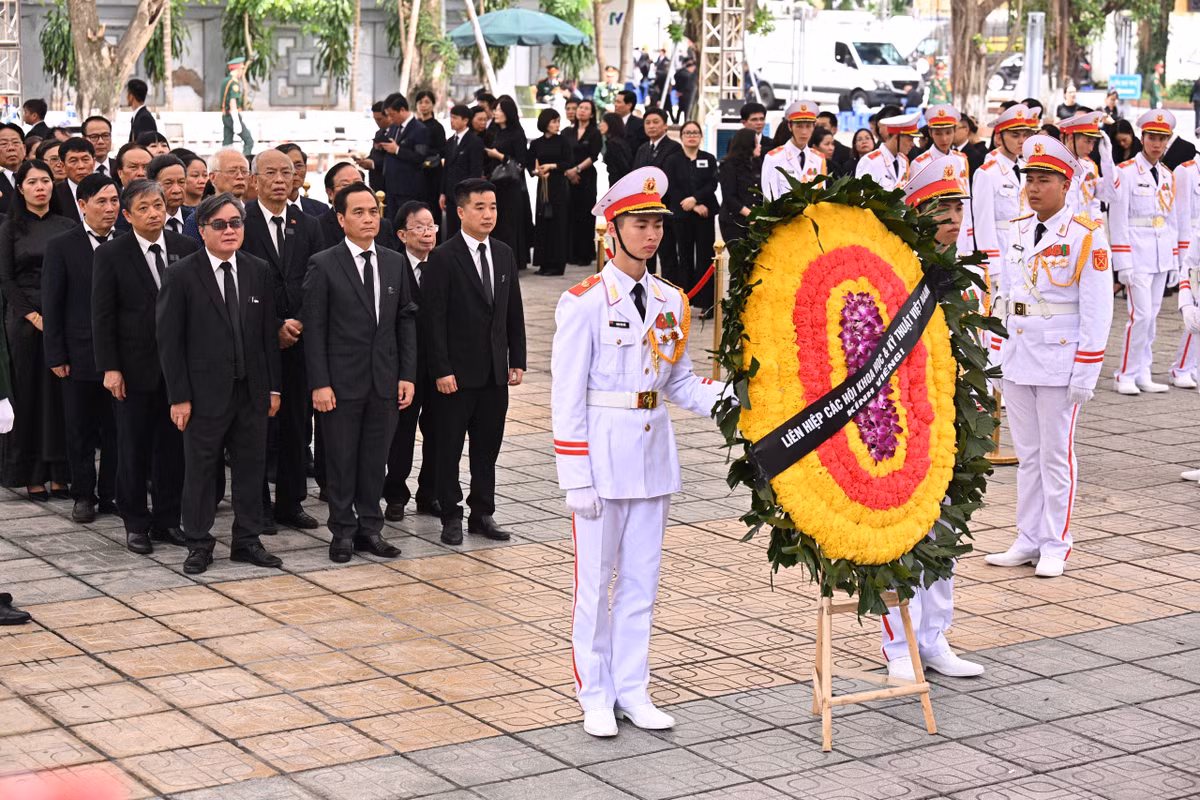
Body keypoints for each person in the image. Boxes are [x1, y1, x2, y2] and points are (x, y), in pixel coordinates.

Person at [552, 165, 730, 738]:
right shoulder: (583, 302)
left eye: (657, 222)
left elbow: (678, 383)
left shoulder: (671, 300)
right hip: (601, 462)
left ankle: (633, 688)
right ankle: (595, 693)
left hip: (653, 461)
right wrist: (574, 474)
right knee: (593, 588)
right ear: (613, 228)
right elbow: (567, 396)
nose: (652, 234)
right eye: (640, 222)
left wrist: (737, 402)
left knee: (641, 585)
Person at [985, 135, 1112, 579]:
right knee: (1029, 454)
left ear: (1065, 184)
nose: (1034, 188)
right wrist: (995, 352)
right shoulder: (1017, 229)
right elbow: (1007, 295)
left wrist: (1087, 370)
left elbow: (1098, 308)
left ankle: (1057, 541)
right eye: (1030, 179)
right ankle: (1027, 537)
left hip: (1061, 357)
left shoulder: (1086, 236)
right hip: (1019, 352)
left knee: (1057, 454)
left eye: (1044, 180)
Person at [884, 155, 984, 680]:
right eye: (941, 209)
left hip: (950, 422)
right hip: (902, 424)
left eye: (957, 208)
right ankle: (899, 644)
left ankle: (933, 636)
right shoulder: (899, 272)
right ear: (919, 213)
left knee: (945, 524)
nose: (952, 219)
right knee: (902, 532)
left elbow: (980, 347)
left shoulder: (964, 274)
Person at [157, 193, 282, 575]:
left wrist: (273, 388)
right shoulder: (181, 273)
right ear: (202, 229)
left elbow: (267, 337)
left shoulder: (258, 269)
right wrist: (179, 397)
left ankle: (247, 540)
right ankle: (198, 542)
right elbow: (169, 341)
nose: (230, 231)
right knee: (200, 471)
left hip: (252, 391)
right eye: (220, 225)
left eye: (236, 223)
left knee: (250, 468)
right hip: (202, 395)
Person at [304, 182, 416, 562]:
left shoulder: (394, 261)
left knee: (374, 459)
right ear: (340, 219)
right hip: (340, 382)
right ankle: (342, 531)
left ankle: (371, 527)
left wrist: (406, 374)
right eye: (358, 212)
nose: (368, 219)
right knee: (340, 459)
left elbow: (404, 320)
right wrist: (319, 383)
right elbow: (314, 329)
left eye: (373, 211)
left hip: (384, 380)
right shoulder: (324, 263)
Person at [93, 179, 197, 553]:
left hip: (177, 370)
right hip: (132, 369)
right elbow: (102, 316)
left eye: (158, 205)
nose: (154, 213)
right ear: (127, 215)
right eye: (144, 208)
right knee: (132, 447)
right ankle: (135, 522)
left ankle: (168, 520)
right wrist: (110, 367)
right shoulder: (111, 254)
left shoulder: (185, 249)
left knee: (173, 448)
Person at [421, 178, 526, 545]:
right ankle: (450, 513)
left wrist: (518, 359)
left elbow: (512, 310)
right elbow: (432, 320)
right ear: (460, 211)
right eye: (479, 207)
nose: (488, 214)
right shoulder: (443, 257)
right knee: (448, 448)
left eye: (493, 207)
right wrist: (441, 370)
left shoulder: (503, 253)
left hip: (495, 372)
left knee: (487, 448)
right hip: (456, 376)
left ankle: (483, 513)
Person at [242, 149, 324, 531]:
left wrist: (300, 323)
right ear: (255, 180)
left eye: (286, 173)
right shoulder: (241, 221)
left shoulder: (308, 224)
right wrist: (274, 323)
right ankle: (257, 504)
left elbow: (318, 279)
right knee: (257, 426)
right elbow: (239, 282)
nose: (279, 179)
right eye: (270, 172)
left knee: (296, 425)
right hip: (256, 339)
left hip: (300, 339)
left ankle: (291, 502)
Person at [42, 173, 120, 523]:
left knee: (118, 429)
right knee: (80, 430)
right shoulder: (62, 245)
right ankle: (83, 495)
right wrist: (56, 354)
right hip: (79, 354)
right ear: (82, 205)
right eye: (101, 202)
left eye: (114, 201)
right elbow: (52, 303)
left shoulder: (128, 242)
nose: (110, 208)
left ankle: (111, 494)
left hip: (122, 355)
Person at [0, 160, 75, 499]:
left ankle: (60, 472)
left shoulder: (68, 225)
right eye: (33, 182)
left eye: (46, 180)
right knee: (29, 398)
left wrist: (59, 319)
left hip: (65, 319)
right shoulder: (9, 228)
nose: (41, 187)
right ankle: (31, 473)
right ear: (21, 188)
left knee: (61, 399)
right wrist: (32, 316)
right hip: (25, 322)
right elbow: (5, 278)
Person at [1110, 110, 1182, 396]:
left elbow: (1172, 219)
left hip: (1161, 254)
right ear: (1142, 138)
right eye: (1152, 137)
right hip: (1136, 254)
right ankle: (1124, 373)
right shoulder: (1126, 172)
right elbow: (1118, 219)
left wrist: (1176, 258)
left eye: (1162, 139)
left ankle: (1143, 371)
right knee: (1139, 316)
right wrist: (1122, 261)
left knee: (1151, 316)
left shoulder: (1167, 175)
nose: (1156, 144)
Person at [384, 201, 438, 520]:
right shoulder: (392, 266)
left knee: (438, 432)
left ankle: (430, 492)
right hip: (403, 367)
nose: (427, 233)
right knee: (401, 435)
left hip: (439, 366)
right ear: (403, 234)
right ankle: (395, 494)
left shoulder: (445, 263)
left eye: (431, 226)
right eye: (419, 227)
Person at [971, 104, 1037, 340]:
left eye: (1025, 134)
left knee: (1020, 318)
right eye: (1014, 135)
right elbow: (983, 222)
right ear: (1000, 137)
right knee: (995, 321)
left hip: (1024, 252)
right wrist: (993, 266)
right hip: (999, 252)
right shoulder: (988, 173)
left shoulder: (1027, 168)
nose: (1021, 140)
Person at [632, 108, 685, 280]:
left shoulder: (674, 148)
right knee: (647, 254)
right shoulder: (642, 149)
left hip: (666, 208)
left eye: (656, 122)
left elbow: (674, 178)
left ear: (665, 125)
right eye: (647, 123)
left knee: (668, 253)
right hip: (645, 209)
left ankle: (670, 291)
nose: (651, 126)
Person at [911, 105, 972, 253]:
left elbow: (966, 203)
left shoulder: (961, 159)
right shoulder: (920, 163)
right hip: (936, 233)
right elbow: (917, 206)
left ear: (954, 131)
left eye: (948, 132)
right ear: (930, 133)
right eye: (938, 133)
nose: (944, 138)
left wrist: (969, 235)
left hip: (960, 229)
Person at [674, 120, 718, 311]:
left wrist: (697, 199)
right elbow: (672, 187)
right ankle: (685, 301)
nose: (691, 136)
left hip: (704, 214)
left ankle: (706, 303)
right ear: (682, 137)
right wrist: (691, 205)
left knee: (705, 258)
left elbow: (712, 184)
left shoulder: (708, 158)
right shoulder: (672, 159)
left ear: (701, 137)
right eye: (688, 133)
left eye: (695, 133)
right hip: (682, 214)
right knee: (684, 258)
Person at [483, 96, 531, 271]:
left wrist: (500, 156)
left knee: (510, 224)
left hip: (511, 185)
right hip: (495, 184)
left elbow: (521, 161)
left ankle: (512, 262)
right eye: (495, 109)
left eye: (500, 110)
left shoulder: (517, 133)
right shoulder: (494, 131)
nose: (496, 113)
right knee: (497, 222)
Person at [528, 108, 571, 276]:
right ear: (545, 123)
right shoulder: (536, 143)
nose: (557, 125)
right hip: (543, 185)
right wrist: (536, 171)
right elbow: (529, 163)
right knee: (542, 221)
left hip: (558, 185)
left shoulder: (563, 141)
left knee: (558, 223)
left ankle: (557, 264)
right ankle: (543, 263)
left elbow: (568, 162)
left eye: (558, 121)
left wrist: (552, 167)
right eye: (554, 121)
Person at [761, 101, 826, 201]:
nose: (804, 132)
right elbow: (769, 198)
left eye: (808, 126)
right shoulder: (774, 158)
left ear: (814, 127)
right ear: (790, 127)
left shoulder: (818, 159)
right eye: (799, 126)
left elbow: (821, 196)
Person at [565, 99, 603, 266]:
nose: (581, 111)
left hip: (586, 176)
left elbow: (593, 156)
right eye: (580, 107)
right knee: (570, 213)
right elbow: (563, 154)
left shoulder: (594, 133)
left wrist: (577, 170)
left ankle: (585, 254)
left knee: (585, 214)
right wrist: (569, 171)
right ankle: (570, 252)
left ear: (592, 114)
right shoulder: (567, 132)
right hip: (568, 177)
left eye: (586, 108)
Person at [183, 149, 249, 242]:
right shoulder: (197, 219)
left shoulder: (257, 215)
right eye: (232, 171)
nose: (240, 176)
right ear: (213, 177)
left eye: (244, 171)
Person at [441, 104, 485, 241]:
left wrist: (469, 195)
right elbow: (446, 169)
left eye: (455, 118)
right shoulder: (450, 142)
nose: (451, 121)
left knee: (465, 232)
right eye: (451, 117)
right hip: (450, 194)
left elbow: (475, 172)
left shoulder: (474, 142)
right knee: (451, 232)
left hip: (465, 195)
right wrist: (442, 193)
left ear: (465, 120)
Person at [718, 128, 760, 246]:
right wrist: (750, 214)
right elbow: (729, 197)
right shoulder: (729, 166)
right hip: (734, 221)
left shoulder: (758, 163)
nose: (759, 146)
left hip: (755, 220)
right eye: (756, 143)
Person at [414, 90, 447, 239]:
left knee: (432, 209)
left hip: (433, 173)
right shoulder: (413, 126)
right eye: (420, 102)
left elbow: (441, 150)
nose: (423, 106)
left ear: (433, 105)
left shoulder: (437, 127)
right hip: (416, 173)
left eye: (427, 102)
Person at [857, 112, 918, 190]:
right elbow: (861, 196)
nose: (912, 144)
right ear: (896, 137)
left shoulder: (904, 161)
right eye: (910, 140)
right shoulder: (870, 161)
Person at [275, 143, 328, 217]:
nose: (294, 172)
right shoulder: (265, 209)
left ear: (306, 169)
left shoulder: (320, 210)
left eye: (299, 165)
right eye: (287, 166)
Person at [52, 137, 96, 224]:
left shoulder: (107, 189)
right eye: (74, 161)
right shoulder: (54, 194)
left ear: (94, 163)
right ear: (62, 166)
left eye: (85, 160)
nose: (81, 166)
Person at [147, 154, 193, 235]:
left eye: (181, 182)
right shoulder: (145, 222)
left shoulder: (194, 220)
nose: (177, 190)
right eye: (168, 183)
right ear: (151, 184)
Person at [221, 57, 254, 157]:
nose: (241, 72)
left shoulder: (226, 81)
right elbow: (232, 101)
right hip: (232, 116)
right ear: (237, 69)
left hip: (225, 116)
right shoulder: (234, 83)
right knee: (249, 141)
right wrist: (236, 120)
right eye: (241, 69)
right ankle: (245, 161)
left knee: (227, 144)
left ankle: (224, 161)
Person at [815, 111, 854, 176]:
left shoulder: (847, 153)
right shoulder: (806, 149)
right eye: (816, 126)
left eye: (823, 126)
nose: (819, 129)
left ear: (834, 129)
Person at [599, 112, 632, 186]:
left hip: (619, 184)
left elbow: (623, 167)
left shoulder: (614, 144)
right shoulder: (618, 141)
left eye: (603, 122)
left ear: (611, 123)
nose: (600, 125)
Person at [127, 78, 157, 143]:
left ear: (131, 96)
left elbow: (145, 144)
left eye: (127, 93)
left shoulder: (144, 118)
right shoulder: (138, 116)